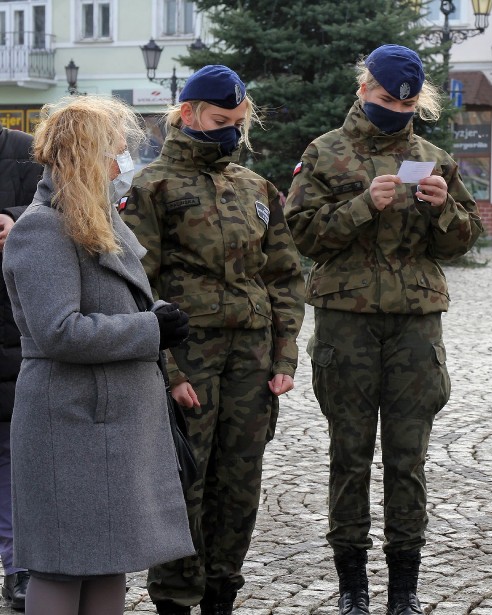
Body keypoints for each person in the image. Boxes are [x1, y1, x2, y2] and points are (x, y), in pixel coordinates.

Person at [284, 44, 483, 615]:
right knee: (349, 453)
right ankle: (352, 588)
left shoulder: (433, 157)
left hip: (415, 326)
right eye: (384, 96)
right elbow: (301, 234)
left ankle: (404, 590)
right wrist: (361, 207)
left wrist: (441, 207)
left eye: (406, 101)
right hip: (346, 323)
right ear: (362, 89)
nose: (395, 108)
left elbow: (462, 241)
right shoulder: (325, 152)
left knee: (407, 457)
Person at [119, 65, 305, 615]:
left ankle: (222, 592)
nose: (230, 131)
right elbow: (135, 286)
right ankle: (175, 598)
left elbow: (284, 277)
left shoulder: (256, 188)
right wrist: (168, 371)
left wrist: (284, 355)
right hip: (188, 355)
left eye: (238, 123)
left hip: (250, 358)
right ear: (188, 113)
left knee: (240, 481)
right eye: (221, 120)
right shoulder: (151, 187)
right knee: (183, 481)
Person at [0, 96, 195, 615]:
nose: (121, 165)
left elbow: (112, 301)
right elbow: (59, 331)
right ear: (85, 158)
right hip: (70, 421)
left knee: (111, 559)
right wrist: (149, 328)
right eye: (114, 153)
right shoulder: (43, 228)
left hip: (109, 421)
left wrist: (154, 313)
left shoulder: (97, 221)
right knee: (62, 566)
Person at [0, 125, 42, 611]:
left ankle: (19, 568)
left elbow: (54, 206)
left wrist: (14, 218)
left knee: (13, 459)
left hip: (12, 327)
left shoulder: (24, 151)